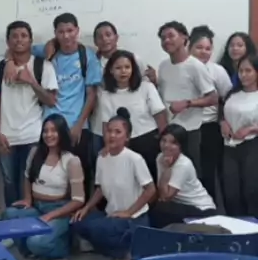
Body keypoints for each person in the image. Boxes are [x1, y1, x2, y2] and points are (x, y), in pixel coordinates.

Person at [29, 13, 102, 193]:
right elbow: (18, 50)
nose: (66, 36)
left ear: (77, 31)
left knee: (80, 176)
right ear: (55, 33)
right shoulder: (47, 52)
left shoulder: (88, 56)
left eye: (70, 30)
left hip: (77, 126)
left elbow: (91, 95)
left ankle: (79, 210)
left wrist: (79, 125)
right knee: (52, 175)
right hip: (50, 126)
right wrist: (8, 62)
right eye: (61, 32)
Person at [71, 108, 155, 260]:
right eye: (109, 131)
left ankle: (125, 251)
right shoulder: (101, 158)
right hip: (111, 215)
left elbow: (150, 189)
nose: (112, 135)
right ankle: (115, 248)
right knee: (77, 221)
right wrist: (86, 208)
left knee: (99, 229)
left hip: (134, 218)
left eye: (118, 132)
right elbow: (100, 189)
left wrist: (129, 212)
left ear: (127, 137)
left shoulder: (134, 159)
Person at [1, 113, 85, 259]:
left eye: (53, 131)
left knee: (36, 242)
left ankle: (64, 246)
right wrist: (27, 199)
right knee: (9, 214)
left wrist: (51, 215)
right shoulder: (35, 152)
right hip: (37, 208)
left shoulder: (71, 160)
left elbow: (78, 200)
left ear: (61, 133)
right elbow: (27, 177)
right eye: (45, 131)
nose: (48, 135)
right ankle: (29, 249)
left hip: (59, 212)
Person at [0, 20, 58, 207]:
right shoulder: (1, 67)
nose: (19, 40)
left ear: (31, 40)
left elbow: (51, 100)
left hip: (32, 136)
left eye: (24, 36)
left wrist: (31, 81)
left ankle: (28, 222)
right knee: (9, 184)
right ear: (8, 42)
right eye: (14, 36)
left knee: (29, 185)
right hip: (6, 137)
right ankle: (11, 223)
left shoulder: (43, 66)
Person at [148, 21, 217, 176]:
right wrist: (154, 82)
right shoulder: (164, 65)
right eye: (163, 38)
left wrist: (187, 103)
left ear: (184, 38)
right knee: (169, 173)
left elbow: (213, 98)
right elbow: (165, 94)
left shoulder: (195, 66)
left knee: (189, 174)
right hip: (168, 130)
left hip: (189, 131)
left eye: (171, 36)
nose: (166, 41)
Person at [100, 50, 166, 180]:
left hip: (149, 140)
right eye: (118, 68)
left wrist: (164, 141)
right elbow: (106, 124)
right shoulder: (106, 95)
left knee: (151, 179)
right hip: (123, 144)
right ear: (111, 71)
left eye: (127, 67)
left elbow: (160, 115)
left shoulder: (146, 87)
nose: (123, 71)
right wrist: (108, 145)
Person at [90, 21, 147, 157]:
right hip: (100, 125)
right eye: (100, 37)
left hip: (132, 125)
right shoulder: (92, 62)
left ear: (116, 37)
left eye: (108, 35)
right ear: (95, 42)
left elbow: (143, 82)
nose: (105, 39)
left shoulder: (132, 58)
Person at [189, 25, 232, 201]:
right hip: (184, 127)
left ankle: (208, 208)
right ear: (189, 47)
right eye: (199, 47)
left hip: (209, 127)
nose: (204, 52)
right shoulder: (181, 67)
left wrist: (223, 120)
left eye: (208, 48)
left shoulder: (217, 71)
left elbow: (228, 98)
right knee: (188, 171)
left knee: (207, 172)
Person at [149, 124, 217, 229]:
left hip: (201, 208)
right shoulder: (160, 158)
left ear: (181, 146)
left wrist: (167, 169)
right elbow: (161, 191)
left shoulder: (183, 164)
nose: (166, 145)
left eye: (173, 143)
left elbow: (166, 197)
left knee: (162, 208)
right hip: (179, 205)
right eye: (164, 140)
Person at [221, 55, 258, 217]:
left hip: (252, 146)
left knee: (251, 190)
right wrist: (223, 123)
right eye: (241, 71)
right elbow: (222, 113)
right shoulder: (232, 94)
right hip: (229, 146)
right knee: (231, 192)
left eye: (248, 71)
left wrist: (251, 129)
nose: (243, 75)